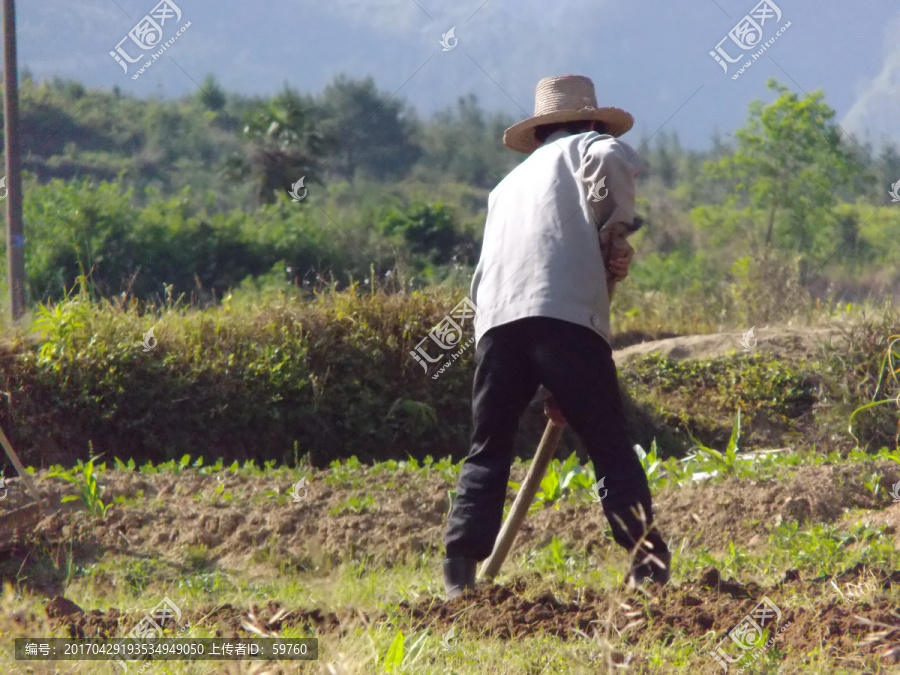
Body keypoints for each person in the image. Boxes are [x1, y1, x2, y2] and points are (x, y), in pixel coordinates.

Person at [442, 74, 670, 599]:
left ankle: (459, 571)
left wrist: (553, 387)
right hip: (564, 317)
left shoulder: (506, 188)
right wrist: (616, 230)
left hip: (496, 323)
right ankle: (647, 561)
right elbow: (617, 160)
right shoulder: (589, 146)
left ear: (542, 131)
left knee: (487, 449)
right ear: (590, 120)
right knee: (608, 439)